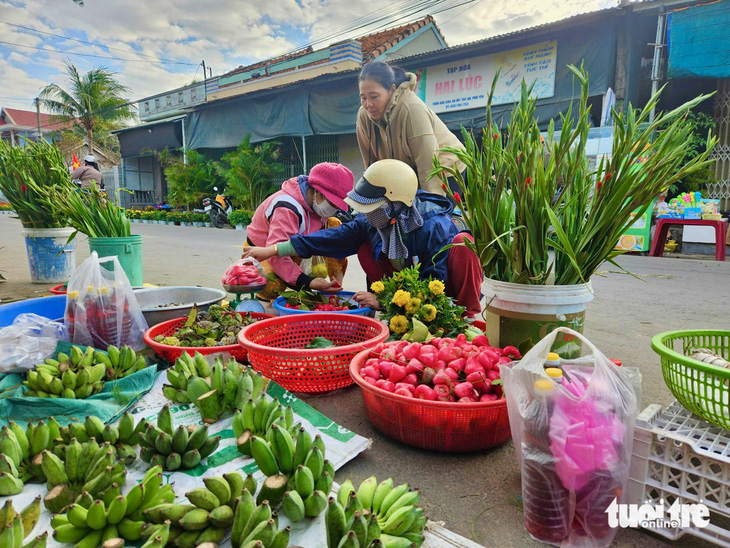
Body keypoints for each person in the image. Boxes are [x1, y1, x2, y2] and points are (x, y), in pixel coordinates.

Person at [242, 160, 483, 317]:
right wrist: (274, 250)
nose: (365, 213)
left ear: (395, 204)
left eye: (372, 207)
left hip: (442, 292)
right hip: (406, 289)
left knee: (463, 245)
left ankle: (468, 316)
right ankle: (393, 307)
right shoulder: (373, 221)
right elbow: (328, 238)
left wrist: (386, 302)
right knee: (366, 248)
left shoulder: (432, 227)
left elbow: (434, 286)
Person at [244, 162, 354, 298]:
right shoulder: (286, 208)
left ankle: (332, 292)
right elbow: (276, 254)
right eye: (332, 203)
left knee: (335, 226)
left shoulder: (318, 207)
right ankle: (270, 298)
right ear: (317, 191)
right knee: (270, 285)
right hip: (264, 252)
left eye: (337, 206)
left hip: (297, 248)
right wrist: (308, 282)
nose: (334, 209)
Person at [356, 61, 466, 196]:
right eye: (363, 98)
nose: (368, 104)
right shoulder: (364, 116)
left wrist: (431, 207)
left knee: (428, 213)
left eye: (374, 97)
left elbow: (429, 167)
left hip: (445, 170)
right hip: (408, 174)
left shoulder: (411, 110)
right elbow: (372, 167)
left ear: (391, 89)